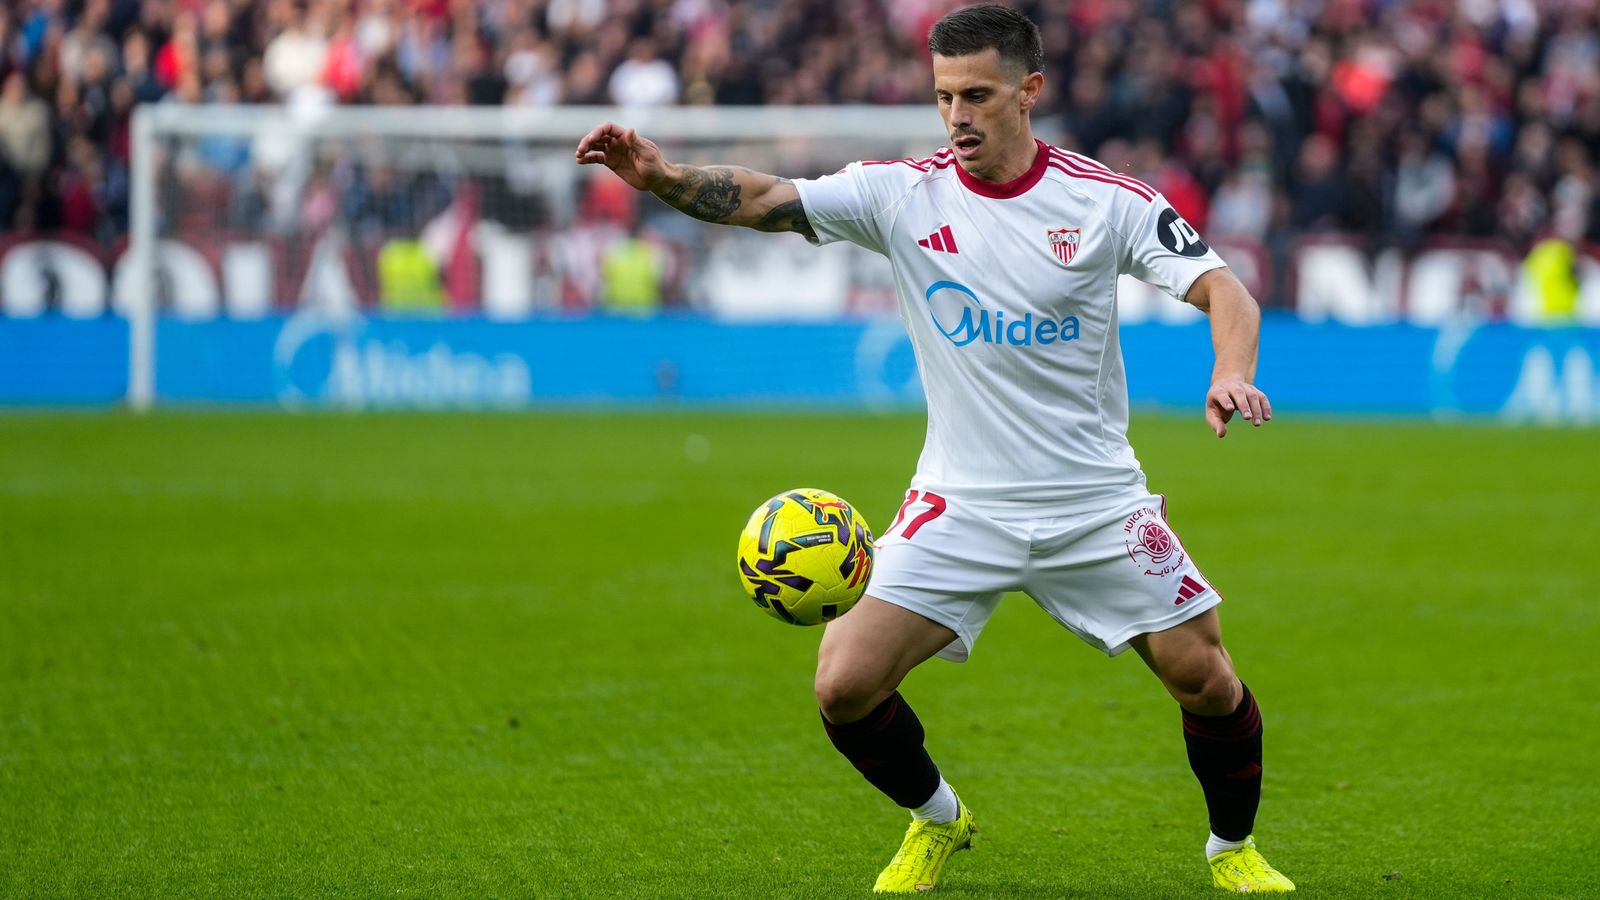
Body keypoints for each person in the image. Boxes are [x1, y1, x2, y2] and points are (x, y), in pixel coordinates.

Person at [576, 5, 1293, 894]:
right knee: (843, 685)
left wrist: (1231, 371)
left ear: (1029, 92)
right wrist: (661, 176)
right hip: (961, 503)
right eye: (945, 95)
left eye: (979, 95)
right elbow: (768, 199)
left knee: (1209, 681)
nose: (958, 115)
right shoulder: (901, 194)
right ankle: (939, 821)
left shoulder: (1106, 202)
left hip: (1095, 502)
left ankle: (1234, 852)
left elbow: (1226, 289)